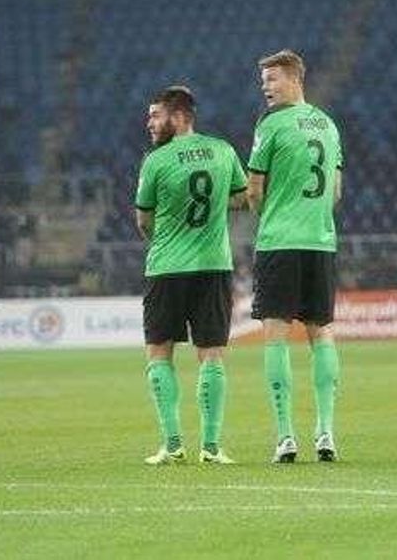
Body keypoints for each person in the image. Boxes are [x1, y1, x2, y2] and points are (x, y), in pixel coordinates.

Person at [134, 86, 248, 465]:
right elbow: (242, 197)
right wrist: (214, 210)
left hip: (167, 267)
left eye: (155, 115)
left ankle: (172, 444)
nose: (149, 123)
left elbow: (143, 219)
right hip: (214, 265)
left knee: (159, 353)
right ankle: (212, 447)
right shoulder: (224, 150)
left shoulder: (156, 161)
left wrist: (165, 239)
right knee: (211, 355)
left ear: (179, 115)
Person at [247, 49, 343, 463]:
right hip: (320, 240)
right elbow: (336, 190)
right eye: (263, 81)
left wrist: (270, 215)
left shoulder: (271, 125)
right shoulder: (328, 124)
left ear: (294, 79)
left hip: (279, 242)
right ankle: (326, 432)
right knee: (321, 332)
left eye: (273, 79)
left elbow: (253, 190)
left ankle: (286, 436)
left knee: (276, 335)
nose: (266, 87)